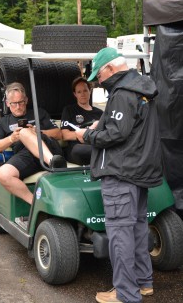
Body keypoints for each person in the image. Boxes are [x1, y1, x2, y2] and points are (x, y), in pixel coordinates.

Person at [75, 48, 163, 303]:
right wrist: (100, 124)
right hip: (139, 172)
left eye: (98, 76)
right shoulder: (142, 89)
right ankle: (144, 283)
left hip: (121, 174)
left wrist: (87, 135)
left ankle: (125, 293)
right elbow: (129, 129)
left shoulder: (123, 93)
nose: (98, 82)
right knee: (136, 230)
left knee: (120, 235)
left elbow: (116, 134)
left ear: (110, 69)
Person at [0, 82, 66, 205]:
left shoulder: (39, 113)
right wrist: (11, 139)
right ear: (8, 103)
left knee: (25, 132)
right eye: (14, 103)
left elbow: (58, 133)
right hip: (26, 156)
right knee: (3, 174)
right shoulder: (2, 123)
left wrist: (37, 131)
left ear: (26, 100)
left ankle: (54, 163)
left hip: (50, 149)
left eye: (21, 102)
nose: (18, 106)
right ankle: (36, 204)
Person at [60, 77, 103, 165]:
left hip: (94, 145)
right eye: (79, 92)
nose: (82, 94)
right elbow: (64, 135)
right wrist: (84, 134)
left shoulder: (100, 113)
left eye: (85, 90)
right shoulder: (69, 110)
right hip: (77, 148)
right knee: (79, 150)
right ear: (75, 94)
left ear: (90, 91)